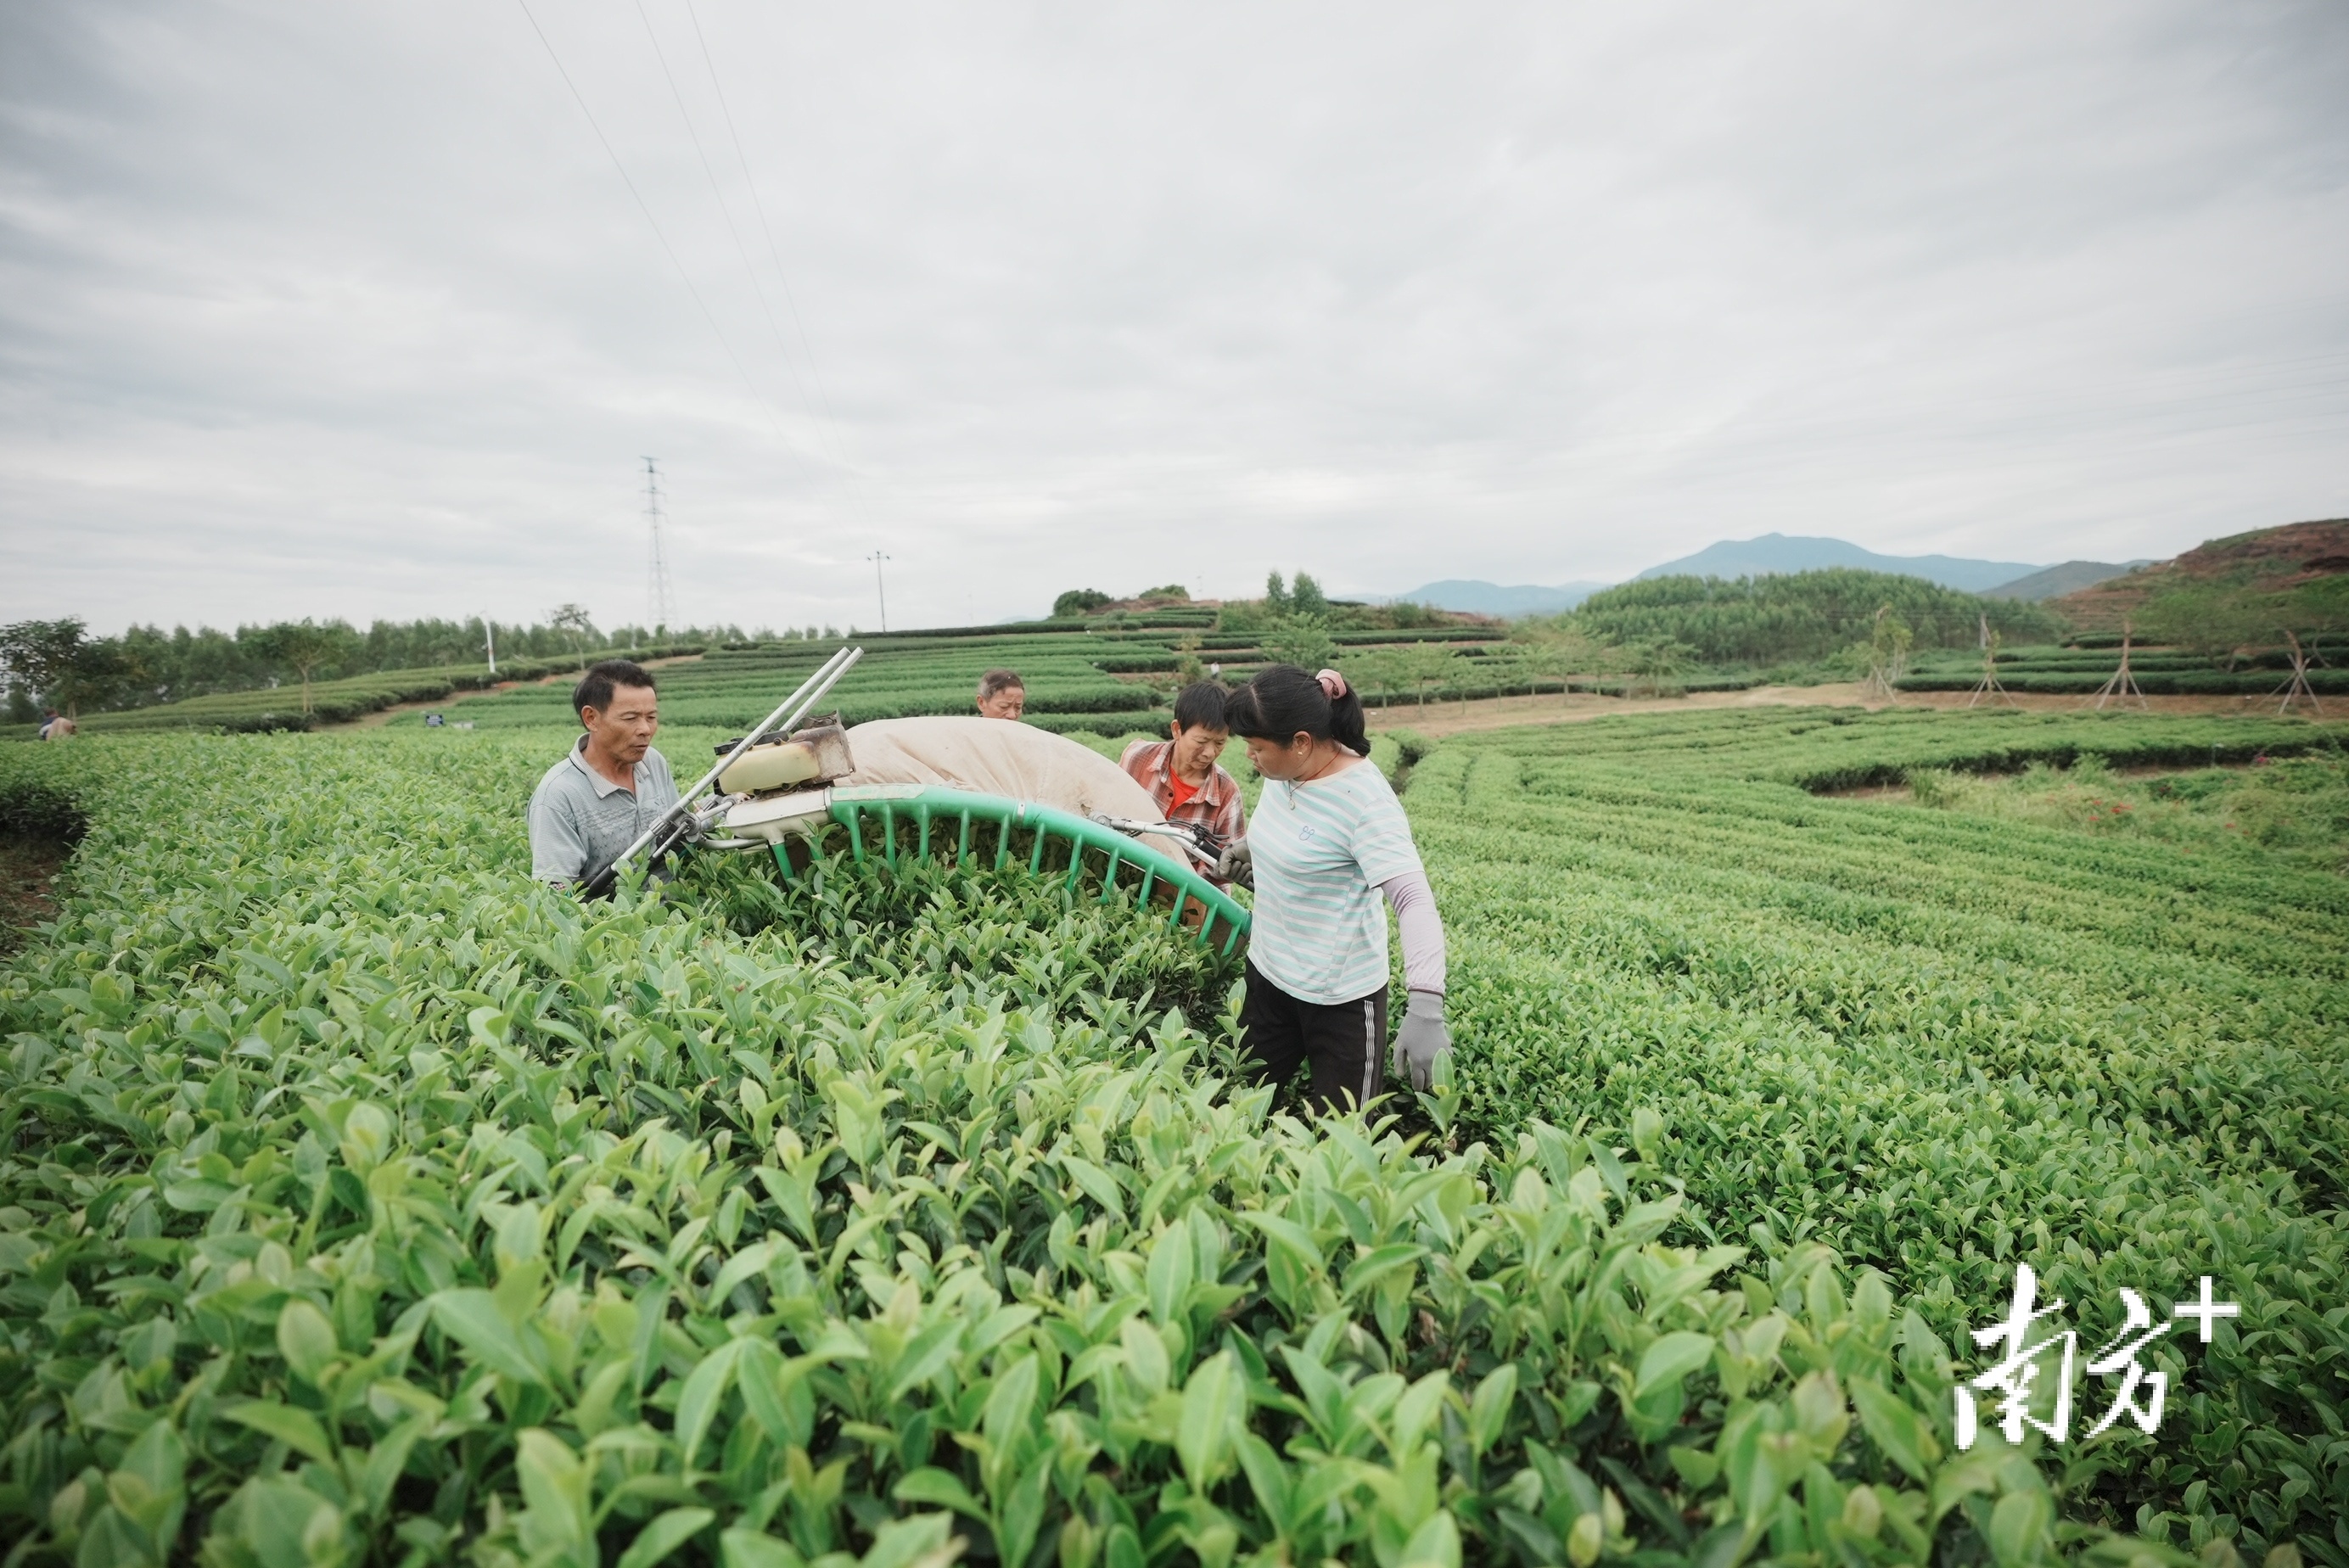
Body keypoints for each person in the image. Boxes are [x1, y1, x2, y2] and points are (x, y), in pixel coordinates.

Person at [1217, 664, 1451, 1109]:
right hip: (1268, 977)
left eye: (1256, 747)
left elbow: (1413, 899)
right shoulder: (1284, 772)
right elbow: (1298, 831)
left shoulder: (1364, 801)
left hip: (1339, 999)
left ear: (1301, 742)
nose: (1249, 756)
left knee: (1341, 1137)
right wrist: (1249, 849)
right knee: (1240, 1109)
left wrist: (1426, 1004)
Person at [527, 659, 680, 887]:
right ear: (591, 718)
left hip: (677, 914)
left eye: (651, 717)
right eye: (630, 718)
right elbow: (556, 895)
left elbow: (679, 828)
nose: (645, 730)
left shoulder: (653, 761)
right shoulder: (558, 796)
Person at [1119, 682, 1246, 883]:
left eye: (1220, 743)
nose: (1210, 752)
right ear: (1177, 730)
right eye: (1201, 742)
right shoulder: (1137, 759)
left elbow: (1228, 861)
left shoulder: (1226, 793)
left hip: (1188, 896)